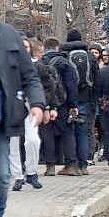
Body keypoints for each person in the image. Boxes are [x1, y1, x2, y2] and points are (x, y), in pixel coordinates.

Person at [0, 23, 45, 217]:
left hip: (2, 120)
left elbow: (31, 77)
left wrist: (37, 103)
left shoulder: (9, 36)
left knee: (1, 176)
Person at [9, 39, 50, 191]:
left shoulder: (37, 66)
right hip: (12, 107)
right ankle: (18, 176)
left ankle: (31, 172)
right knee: (13, 143)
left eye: (26, 46)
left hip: (31, 107)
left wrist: (46, 107)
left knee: (33, 141)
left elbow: (46, 87)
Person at [61, 29, 100, 175]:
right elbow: (97, 81)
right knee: (83, 133)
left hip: (70, 101)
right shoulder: (91, 58)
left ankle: (72, 165)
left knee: (70, 134)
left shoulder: (65, 56)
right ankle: (84, 166)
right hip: (87, 101)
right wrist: (95, 100)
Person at [40, 37, 79, 176]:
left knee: (47, 133)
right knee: (68, 133)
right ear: (58, 48)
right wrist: (73, 104)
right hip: (63, 103)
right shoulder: (65, 63)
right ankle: (71, 165)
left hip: (45, 104)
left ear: (44, 48)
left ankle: (50, 167)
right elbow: (72, 85)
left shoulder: (41, 62)